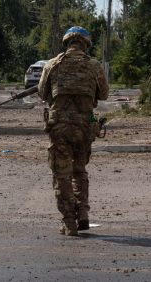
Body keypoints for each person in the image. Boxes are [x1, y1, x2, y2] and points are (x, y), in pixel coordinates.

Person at [38, 26, 109, 236]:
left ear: (67, 43)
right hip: (84, 128)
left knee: (61, 174)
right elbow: (103, 94)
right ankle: (83, 213)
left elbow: (42, 92)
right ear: (85, 44)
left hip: (59, 127)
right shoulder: (94, 66)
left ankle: (69, 221)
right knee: (79, 171)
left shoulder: (52, 64)